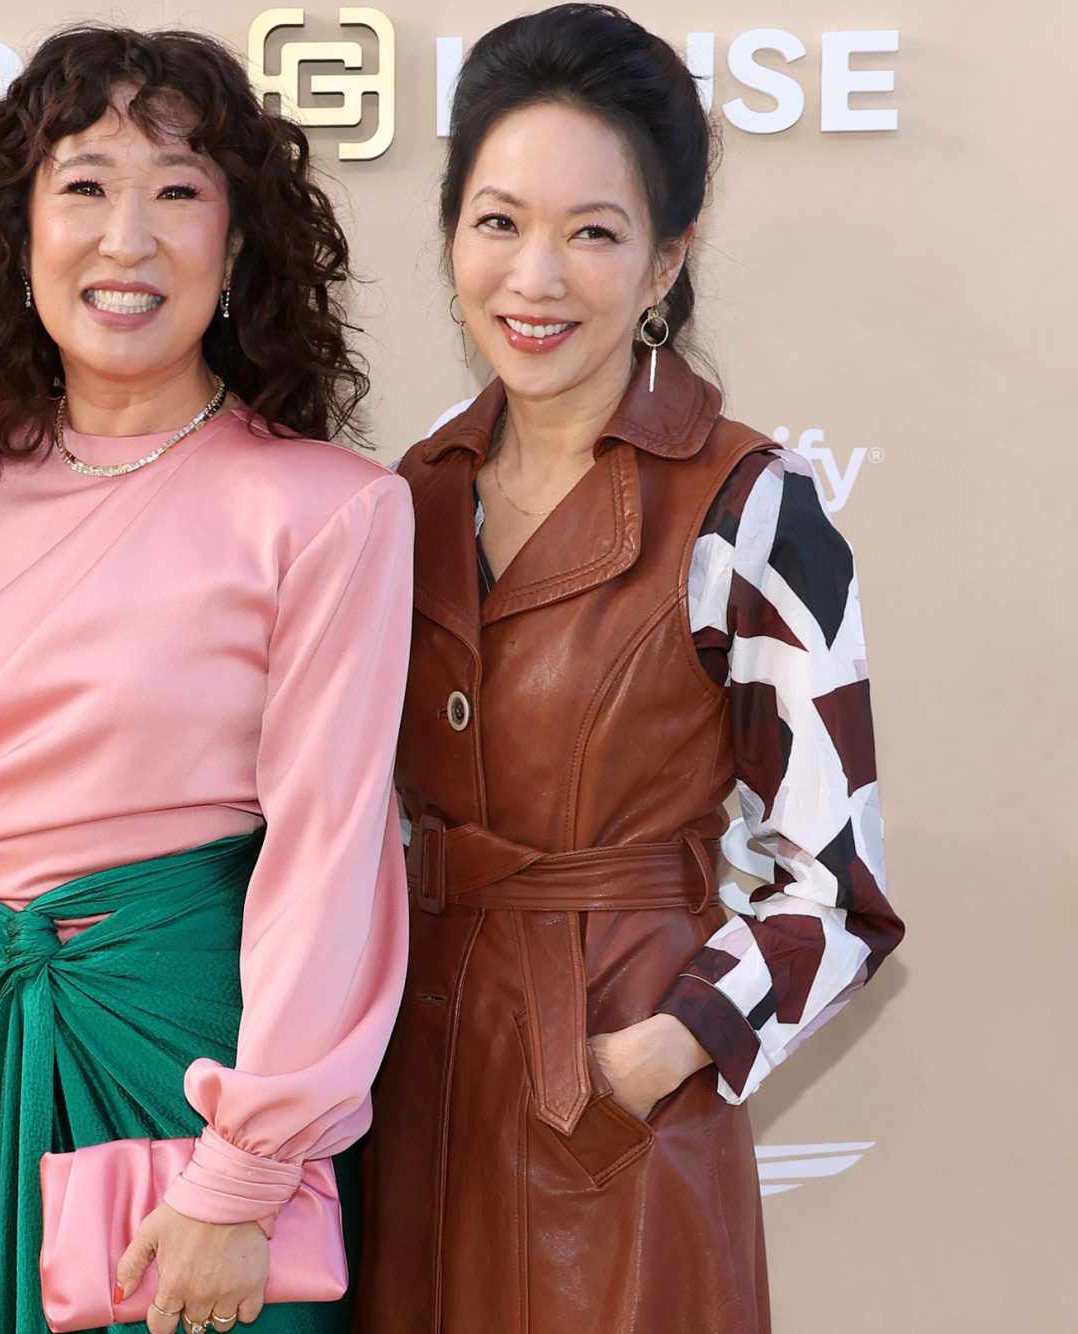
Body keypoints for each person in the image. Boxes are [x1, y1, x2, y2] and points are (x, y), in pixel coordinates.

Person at [356, 8, 905, 1331]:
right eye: (497, 222)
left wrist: (664, 1053)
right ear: (450, 236)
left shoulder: (754, 504)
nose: (534, 276)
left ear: (667, 257)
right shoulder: (404, 497)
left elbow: (838, 890)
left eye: (592, 232)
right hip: (406, 1088)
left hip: (616, 1105)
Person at [0, 27, 413, 1334]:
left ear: (237, 249)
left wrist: (243, 1176)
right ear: (15, 236)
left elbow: (333, 856)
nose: (127, 238)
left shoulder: (328, 508)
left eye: (178, 192)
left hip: (201, 1097)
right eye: (83, 186)